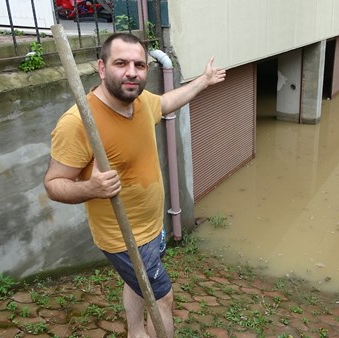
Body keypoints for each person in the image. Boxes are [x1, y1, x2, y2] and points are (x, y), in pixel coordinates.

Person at [43, 32, 226, 337]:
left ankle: (136, 333)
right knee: (162, 298)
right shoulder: (78, 122)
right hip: (124, 240)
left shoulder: (140, 102)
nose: (132, 71)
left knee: (137, 284)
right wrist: (91, 187)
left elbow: (167, 102)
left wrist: (203, 82)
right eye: (121, 63)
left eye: (139, 65)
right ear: (101, 68)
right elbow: (53, 184)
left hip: (153, 226)